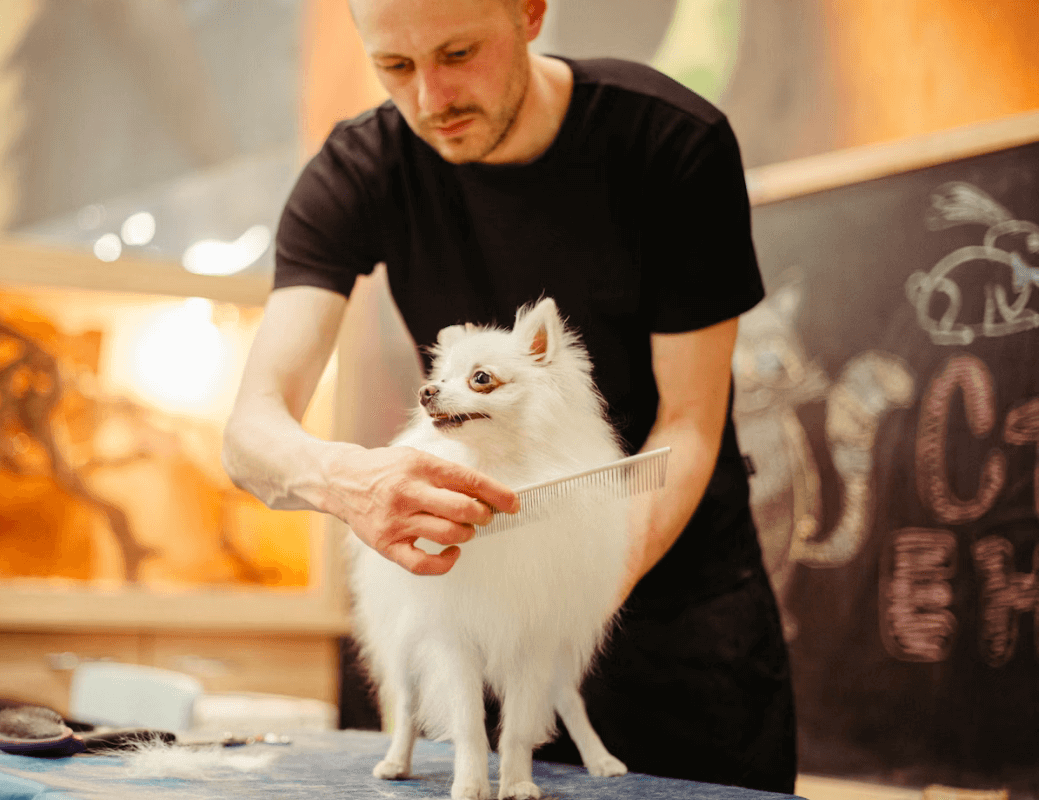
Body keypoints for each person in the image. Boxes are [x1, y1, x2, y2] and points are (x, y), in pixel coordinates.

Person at [221, 0, 797, 792]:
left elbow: (690, 424)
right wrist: (348, 481)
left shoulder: (669, 143)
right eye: (395, 67)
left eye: (458, 53)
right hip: (479, 598)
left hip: (676, 606)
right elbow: (252, 430)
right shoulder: (362, 170)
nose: (431, 99)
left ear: (529, 13)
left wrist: (575, 586)